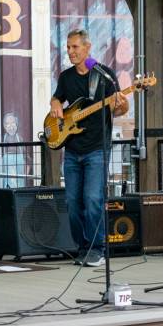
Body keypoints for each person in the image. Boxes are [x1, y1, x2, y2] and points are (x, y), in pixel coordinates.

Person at [49, 29, 128, 267]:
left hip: (96, 149)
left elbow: (120, 110)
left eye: (74, 47)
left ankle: (97, 248)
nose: (70, 52)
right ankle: (82, 247)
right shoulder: (66, 77)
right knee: (73, 203)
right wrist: (55, 107)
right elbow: (56, 98)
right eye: (68, 48)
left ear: (87, 48)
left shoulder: (104, 76)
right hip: (72, 149)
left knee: (93, 198)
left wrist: (121, 105)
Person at [0, 111, 28, 189]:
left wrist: (25, 175)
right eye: (8, 123)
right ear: (4, 126)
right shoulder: (2, 140)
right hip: (7, 179)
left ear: (16, 124)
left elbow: (27, 159)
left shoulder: (20, 139)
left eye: (13, 122)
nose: (11, 126)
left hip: (20, 180)